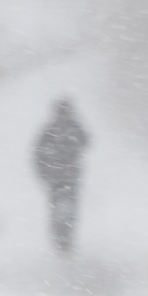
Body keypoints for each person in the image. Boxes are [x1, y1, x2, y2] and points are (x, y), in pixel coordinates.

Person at [32, 97, 89, 254]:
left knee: (57, 208)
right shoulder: (72, 127)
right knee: (69, 209)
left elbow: (38, 154)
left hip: (56, 176)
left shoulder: (49, 130)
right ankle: (65, 239)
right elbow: (87, 142)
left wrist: (44, 172)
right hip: (69, 176)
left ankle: (60, 239)